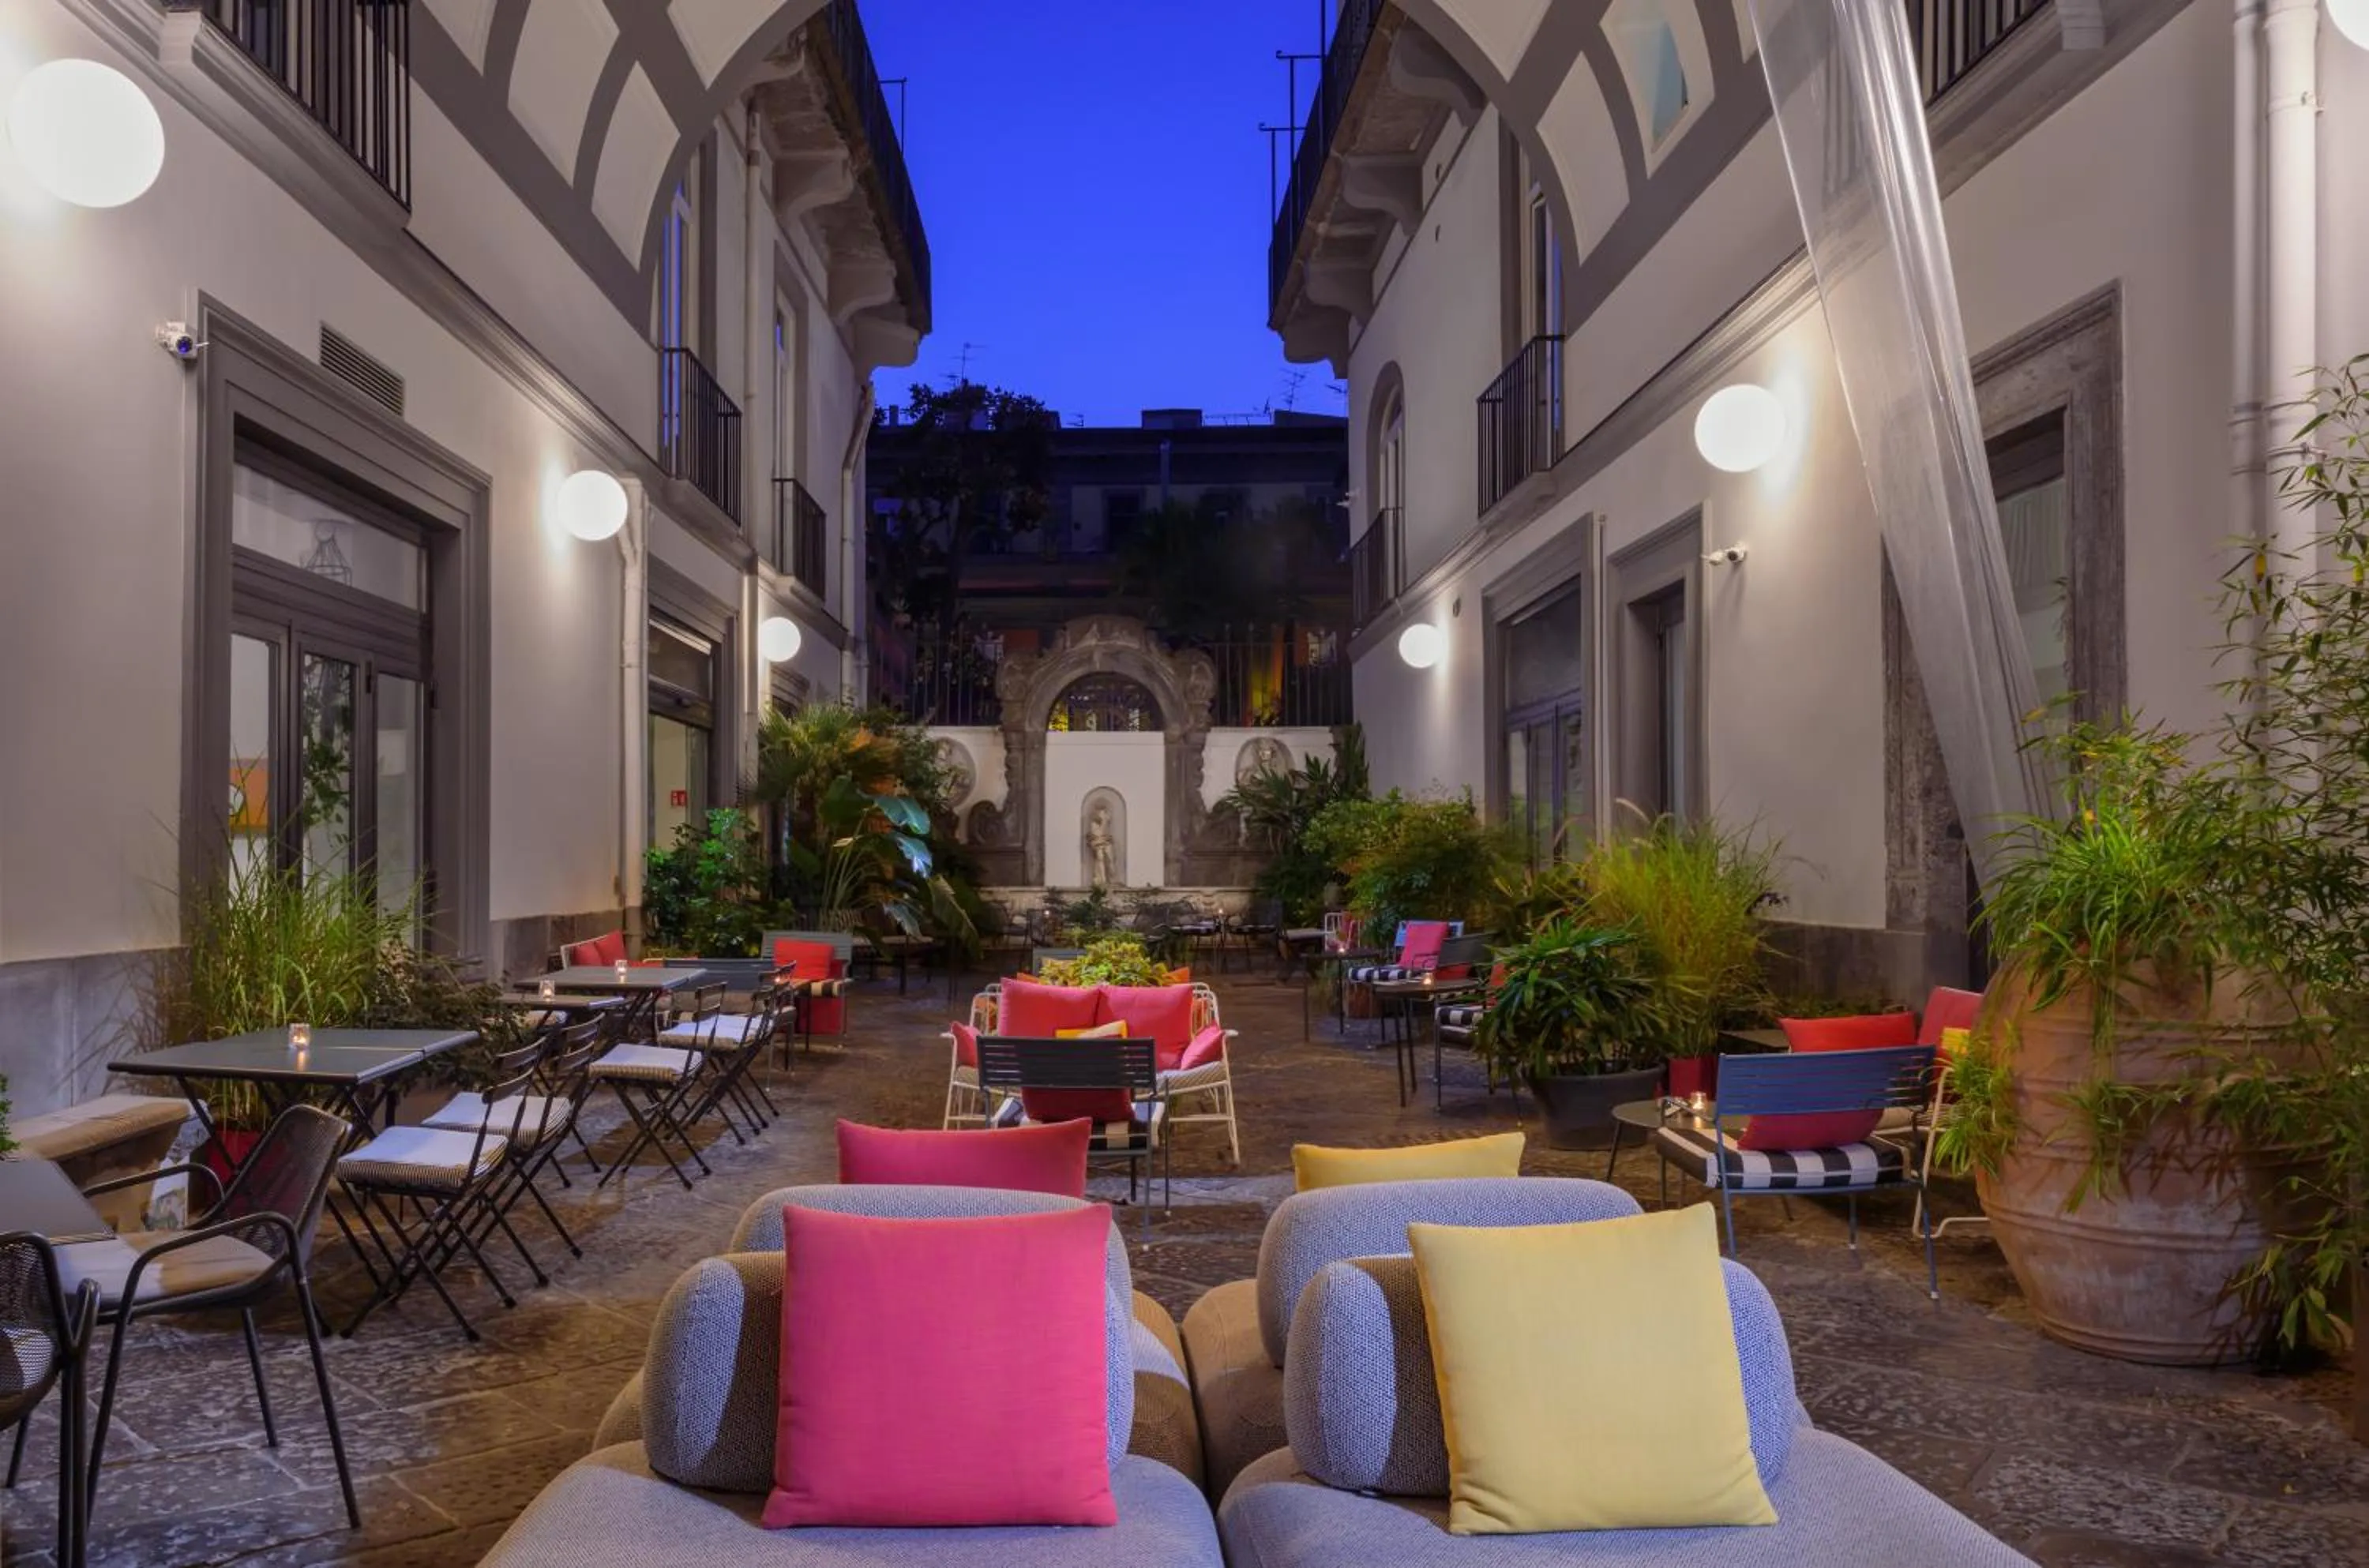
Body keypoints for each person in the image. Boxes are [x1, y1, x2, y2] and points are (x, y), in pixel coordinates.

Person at [1087, 805, 1117, 887]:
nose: (1101, 813)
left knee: (1110, 860)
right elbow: (1094, 834)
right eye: (1099, 811)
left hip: (1105, 842)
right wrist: (1097, 840)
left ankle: (1112, 880)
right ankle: (1101, 881)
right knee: (1100, 859)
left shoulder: (1106, 818)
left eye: (1102, 811)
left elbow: (1105, 832)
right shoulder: (1094, 822)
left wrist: (1106, 838)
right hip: (1098, 843)